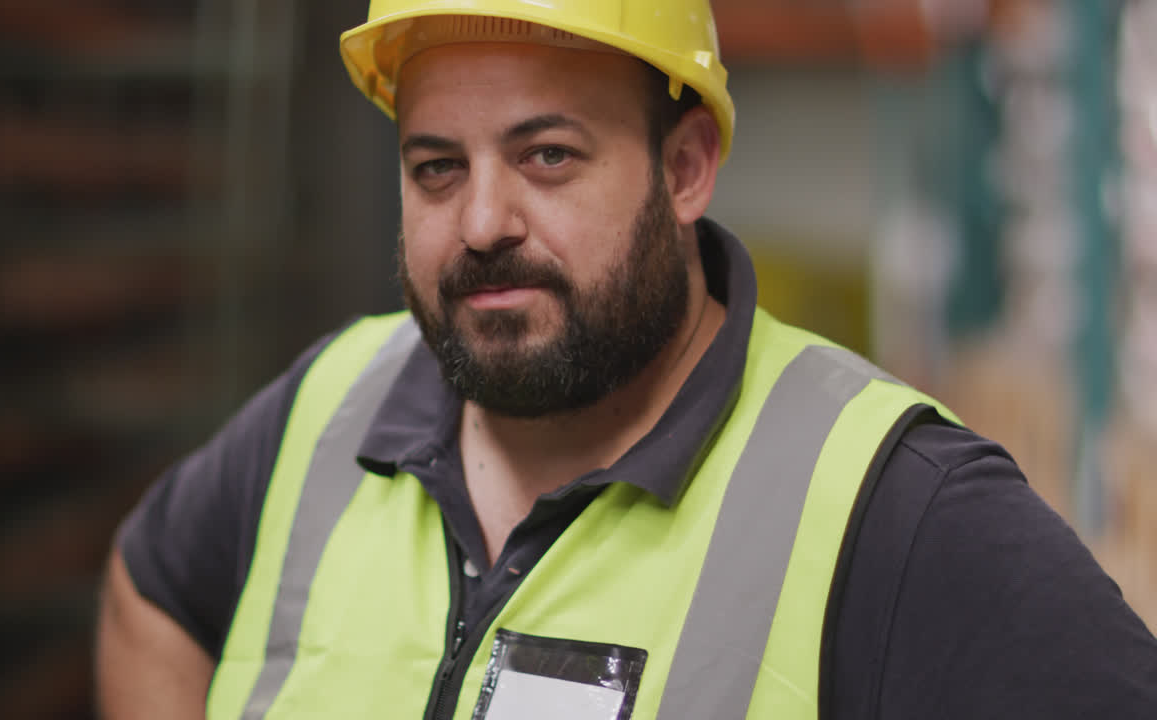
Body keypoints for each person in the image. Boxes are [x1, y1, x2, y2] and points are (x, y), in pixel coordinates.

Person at [94, 1, 1157, 718]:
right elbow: (148, 593)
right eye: (433, 169)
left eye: (544, 156)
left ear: (685, 166)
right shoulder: (329, 406)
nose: (479, 222)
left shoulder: (885, 504)